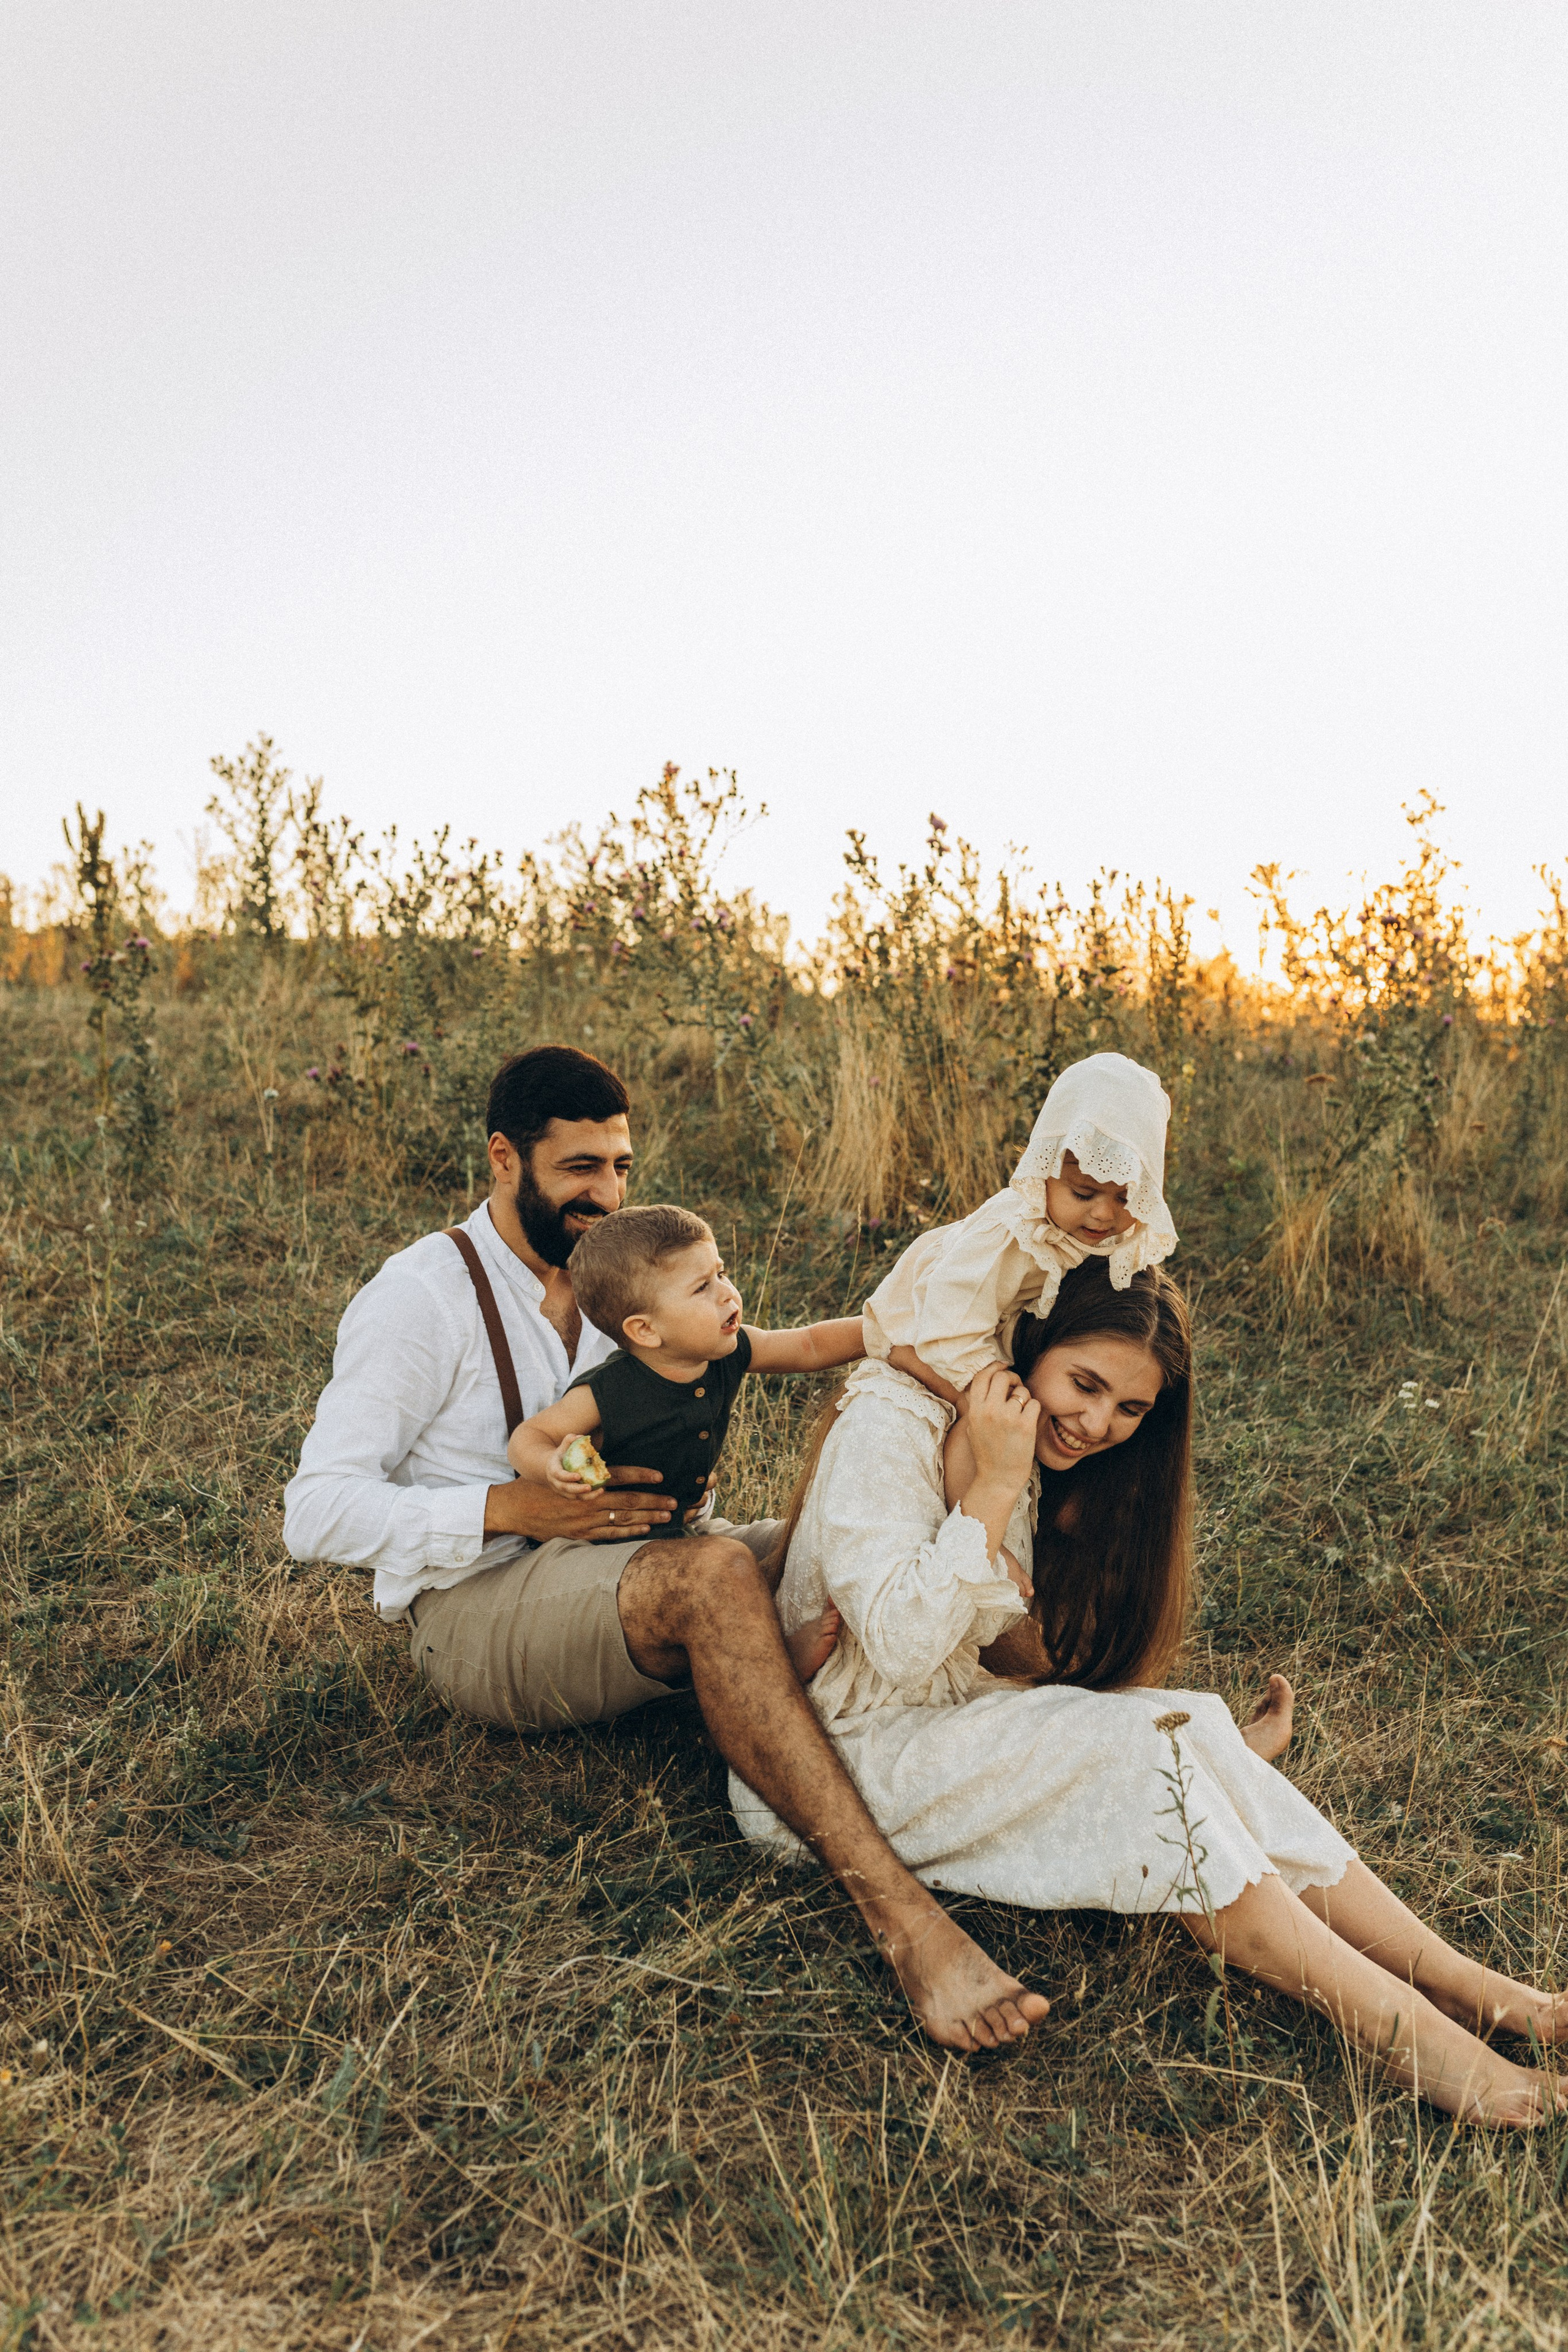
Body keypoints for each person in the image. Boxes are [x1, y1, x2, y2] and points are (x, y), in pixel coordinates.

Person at [282, 1044, 1050, 2052]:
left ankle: (1110, 1741)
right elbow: (315, 1511)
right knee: (717, 1576)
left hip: (641, 1558)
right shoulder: (420, 1299)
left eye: (620, 1168)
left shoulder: (626, 1275)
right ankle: (906, 1925)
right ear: (503, 1160)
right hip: (473, 1610)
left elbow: (778, 1348)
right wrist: (511, 1509)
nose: (604, 1193)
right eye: (578, 1171)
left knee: (863, 1553)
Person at [736, 1260, 1568, 2125]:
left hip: (939, 1726)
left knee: (1188, 1722)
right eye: (1085, 1384)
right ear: (1033, 1342)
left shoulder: (999, 1422)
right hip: (832, 1763)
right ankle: (1427, 2047)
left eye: (1131, 1409)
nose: (1098, 1424)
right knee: (1142, 1759)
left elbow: (994, 1649)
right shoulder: (890, 1424)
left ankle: (1475, 1990)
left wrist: (1210, 1758)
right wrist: (992, 1487)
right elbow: (903, 1652)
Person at [507, 1200, 855, 1673]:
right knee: (723, 1576)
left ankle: (779, 1630)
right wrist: (551, 1465)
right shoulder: (612, 1389)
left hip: (679, 1531)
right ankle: (777, 1658)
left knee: (804, 1544)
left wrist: (882, 1327)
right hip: (613, 1557)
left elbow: (809, 1344)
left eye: (722, 1273)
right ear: (646, 1330)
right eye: (701, 1288)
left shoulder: (726, 1351)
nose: (727, 1295)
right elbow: (529, 1437)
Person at [865, 1051, 1177, 1402]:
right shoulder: (1014, 1236)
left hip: (974, 1341)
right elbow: (950, 1314)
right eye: (1083, 1193)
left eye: (1125, 1198)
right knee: (984, 1419)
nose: (1105, 1215)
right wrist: (989, 1379)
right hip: (929, 1342)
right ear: (1043, 1173)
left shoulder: (1100, 1237)